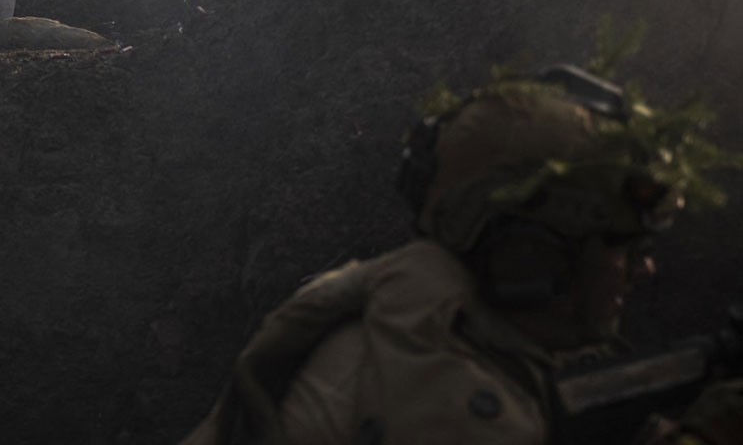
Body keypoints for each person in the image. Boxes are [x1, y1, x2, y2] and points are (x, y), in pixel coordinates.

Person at [179, 65, 743, 445]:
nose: (641, 268)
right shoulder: (441, 390)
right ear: (532, 256)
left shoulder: (412, 309)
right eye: (619, 244)